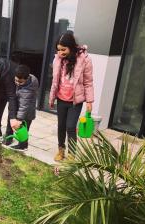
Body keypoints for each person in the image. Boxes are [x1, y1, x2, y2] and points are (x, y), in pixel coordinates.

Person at [49, 33, 94, 161]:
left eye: (63, 49)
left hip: (75, 101)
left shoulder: (84, 59)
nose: (60, 52)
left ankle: (72, 154)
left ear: (71, 47)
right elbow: (55, 81)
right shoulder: (57, 59)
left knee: (70, 126)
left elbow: (88, 82)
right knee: (61, 126)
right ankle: (61, 150)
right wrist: (52, 97)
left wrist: (90, 101)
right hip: (61, 99)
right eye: (58, 49)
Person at [9, 64, 39, 151]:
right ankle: (23, 144)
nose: (17, 83)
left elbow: (24, 106)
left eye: (20, 82)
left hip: (27, 113)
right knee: (23, 129)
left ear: (27, 78)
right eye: (16, 80)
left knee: (23, 129)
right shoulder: (30, 78)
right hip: (26, 110)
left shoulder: (28, 90)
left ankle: (23, 145)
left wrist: (19, 119)